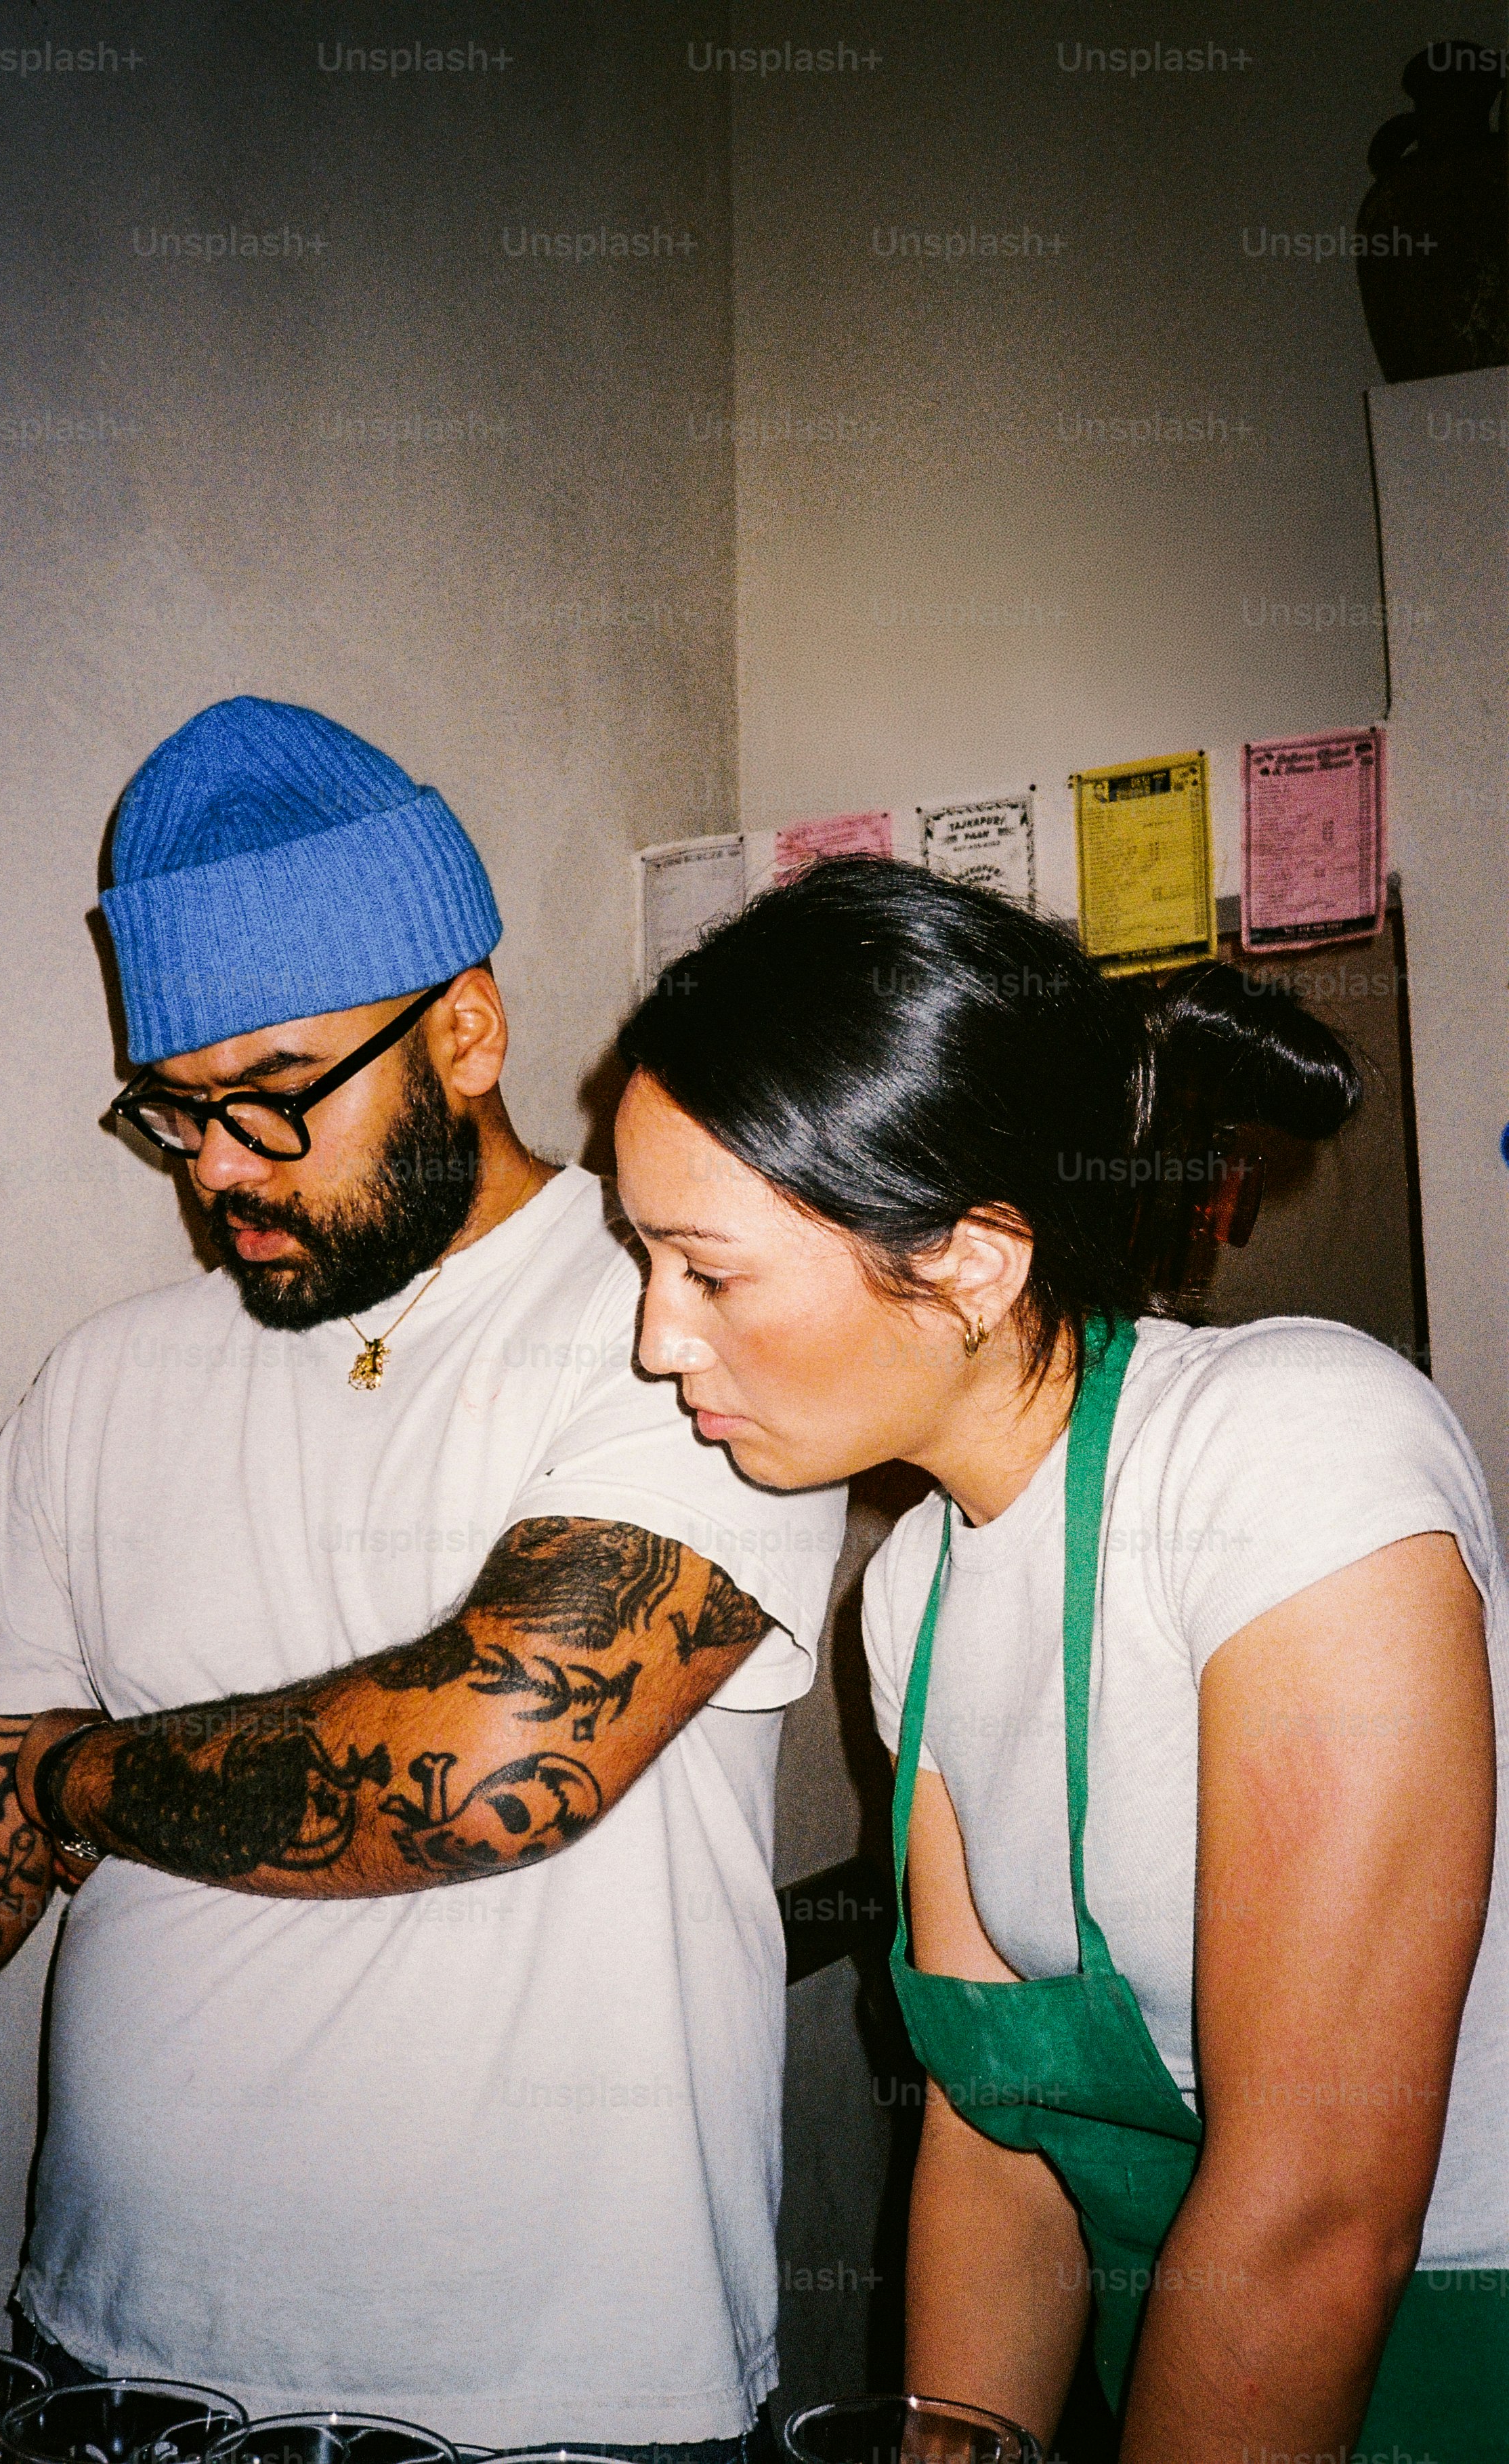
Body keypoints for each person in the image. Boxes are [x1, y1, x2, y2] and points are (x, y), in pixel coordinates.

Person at [0, 697, 845, 2453]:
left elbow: (476, 1767)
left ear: (464, 1031)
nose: (220, 1170)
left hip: (554, 2396)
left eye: (267, 1101)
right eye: (174, 1116)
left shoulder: (683, 1321)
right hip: (108, 2354)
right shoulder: (103, 1377)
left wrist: (86, 1771)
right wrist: (17, 1802)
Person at [610, 857, 1506, 2463]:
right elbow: (990, 2122)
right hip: (1174, 2344)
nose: (656, 1338)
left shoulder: (1283, 1450)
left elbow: (1310, 2215)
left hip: (1443, 2352)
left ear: (966, 1259)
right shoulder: (917, 1593)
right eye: (646, 1265)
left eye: (708, 1270)